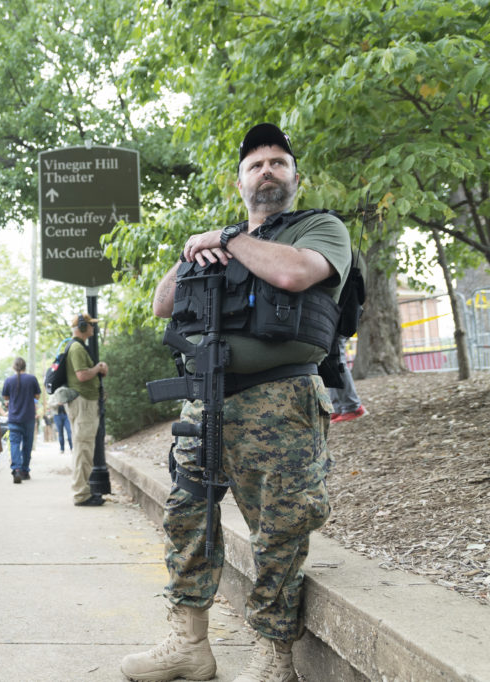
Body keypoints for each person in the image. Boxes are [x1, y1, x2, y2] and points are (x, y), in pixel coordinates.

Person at [120, 123, 350, 682]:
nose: (266, 170)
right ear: (240, 181)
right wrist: (193, 249)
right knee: (187, 515)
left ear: (295, 177)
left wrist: (228, 240)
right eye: (255, 165)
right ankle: (188, 645)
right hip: (206, 400)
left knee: (279, 527)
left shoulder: (319, 228)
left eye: (277, 162)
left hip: (282, 400)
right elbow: (162, 304)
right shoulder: (218, 241)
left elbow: (296, 273)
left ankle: (274, 657)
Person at [65, 313, 108, 507]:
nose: (93, 328)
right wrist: (98, 368)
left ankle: (83, 491)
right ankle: (81, 494)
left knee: (84, 448)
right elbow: (82, 375)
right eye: (91, 325)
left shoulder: (78, 347)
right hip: (83, 403)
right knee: (83, 449)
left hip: (85, 403)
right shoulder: (76, 348)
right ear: (82, 327)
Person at [0, 357, 41, 484]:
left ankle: (16, 469)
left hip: (14, 418)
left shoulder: (9, 380)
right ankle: (25, 471)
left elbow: (5, 397)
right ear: (25, 366)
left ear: (14, 367)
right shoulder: (31, 379)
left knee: (15, 444)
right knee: (27, 445)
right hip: (29, 417)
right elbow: (37, 396)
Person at [328, 336, 367, 422]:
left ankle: (352, 407)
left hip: (336, 326)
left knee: (336, 358)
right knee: (329, 361)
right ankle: (338, 408)